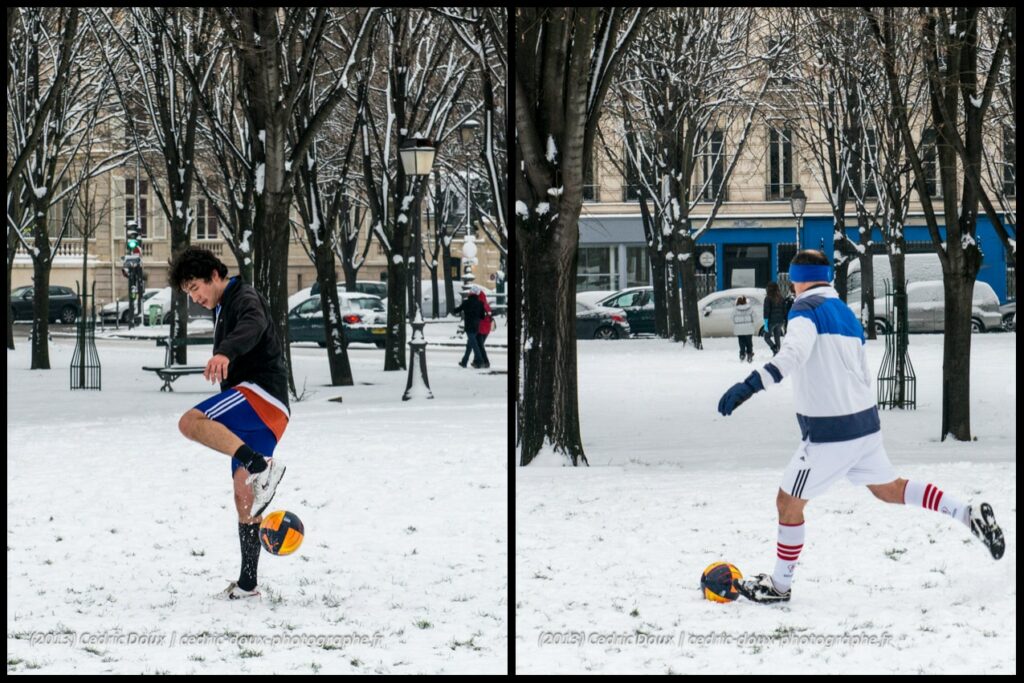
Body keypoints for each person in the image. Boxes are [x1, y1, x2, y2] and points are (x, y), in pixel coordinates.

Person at [717, 249, 1004, 604]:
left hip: (830, 434)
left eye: (793, 276)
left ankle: (779, 585)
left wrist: (748, 387)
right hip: (864, 426)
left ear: (801, 279)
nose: (791, 283)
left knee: (788, 502)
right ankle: (966, 512)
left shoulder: (804, 310)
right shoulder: (846, 314)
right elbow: (859, 372)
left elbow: (790, 356)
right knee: (889, 489)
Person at [170, 247, 290, 600]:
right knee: (245, 498)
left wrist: (225, 352)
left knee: (190, 421)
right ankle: (248, 585)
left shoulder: (243, 296)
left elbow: (254, 325)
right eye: (189, 293)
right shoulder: (223, 306)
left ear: (215, 274)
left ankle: (259, 466)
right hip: (264, 416)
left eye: (195, 288)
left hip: (260, 396)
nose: (195, 298)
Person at [453, 286, 486, 368]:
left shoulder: (466, 302)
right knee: (470, 344)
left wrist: (453, 309)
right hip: (476, 326)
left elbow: (457, 310)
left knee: (474, 344)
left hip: (469, 326)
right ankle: (464, 361)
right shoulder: (480, 303)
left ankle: (480, 360)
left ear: (470, 293)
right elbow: (482, 316)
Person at [762, 282, 788, 356]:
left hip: (771, 321)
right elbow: (784, 310)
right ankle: (777, 352)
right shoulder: (781, 298)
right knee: (777, 337)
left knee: (766, 337)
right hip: (780, 321)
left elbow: (766, 311)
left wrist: (766, 322)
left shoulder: (768, 298)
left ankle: (774, 348)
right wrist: (784, 320)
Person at [732, 295, 756, 363]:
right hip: (749, 328)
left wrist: (737, 323)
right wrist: (752, 323)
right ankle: (749, 354)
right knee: (749, 342)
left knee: (741, 341)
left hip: (739, 329)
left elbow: (732, 318)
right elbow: (755, 317)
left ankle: (742, 354)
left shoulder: (735, 310)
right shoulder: (750, 309)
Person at [474, 285, 493, 369]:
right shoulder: (485, 303)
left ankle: (485, 362)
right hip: (486, 329)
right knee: (479, 345)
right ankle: (476, 361)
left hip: (480, 328)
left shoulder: (479, 304)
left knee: (480, 346)